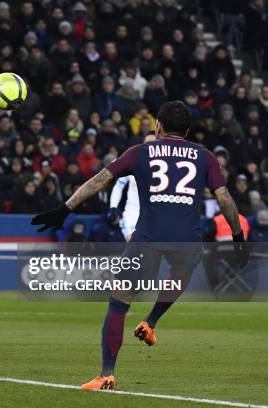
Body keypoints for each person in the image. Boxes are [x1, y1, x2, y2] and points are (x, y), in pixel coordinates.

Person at [31, 101, 249, 390]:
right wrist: (237, 238)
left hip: (147, 238)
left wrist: (64, 209)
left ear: (158, 125)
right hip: (187, 239)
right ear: (187, 129)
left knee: (119, 303)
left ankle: (106, 374)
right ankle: (152, 322)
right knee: (179, 274)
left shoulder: (141, 152)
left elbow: (100, 180)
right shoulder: (205, 156)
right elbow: (224, 199)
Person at [108, 134, 156, 241]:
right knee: (133, 246)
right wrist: (113, 207)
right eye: (147, 143)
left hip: (155, 214)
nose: (150, 146)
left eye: (154, 143)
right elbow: (118, 186)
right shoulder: (133, 162)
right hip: (132, 213)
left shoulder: (166, 166)